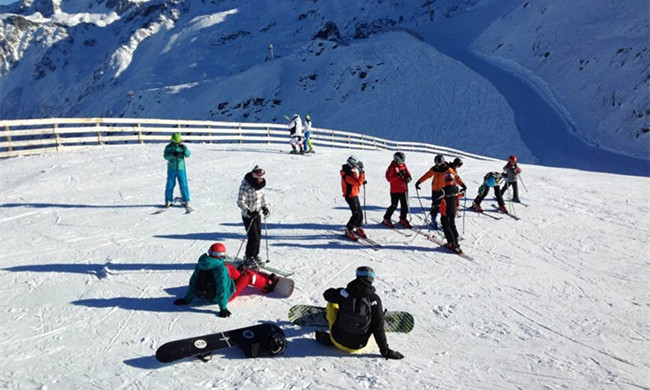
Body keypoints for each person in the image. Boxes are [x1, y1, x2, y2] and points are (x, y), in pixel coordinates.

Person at [314, 266, 404, 360]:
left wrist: (339, 292)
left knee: (332, 303)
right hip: (359, 345)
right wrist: (385, 351)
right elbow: (378, 327)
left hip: (336, 340)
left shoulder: (345, 293)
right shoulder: (374, 300)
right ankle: (378, 316)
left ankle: (329, 318)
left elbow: (326, 294)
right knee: (375, 319)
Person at [173, 243, 279, 317]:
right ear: (221, 255)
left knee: (227, 266)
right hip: (219, 297)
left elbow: (194, 282)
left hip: (204, 293)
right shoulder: (220, 269)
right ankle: (267, 284)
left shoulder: (201, 264)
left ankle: (239, 275)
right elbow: (222, 288)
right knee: (248, 275)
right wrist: (223, 308)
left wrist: (187, 299)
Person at [236, 165, 271, 268]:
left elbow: (262, 197)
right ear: (254, 175)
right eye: (259, 177)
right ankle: (248, 257)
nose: (261, 179)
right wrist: (248, 211)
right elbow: (240, 201)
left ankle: (255, 255)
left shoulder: (260, 185)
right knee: (253, 237)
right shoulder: (246, 185)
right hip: (248, 216)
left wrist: (264, 207)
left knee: (258, 235)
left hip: (257, 213)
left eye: (262, 177)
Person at [414, 154, 448, 230]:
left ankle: (445, 223)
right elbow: (427, 175)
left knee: (444, 206)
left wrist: (461, 185)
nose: (438, 165)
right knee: (435, 206)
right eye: (436, 163)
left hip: (444, 190)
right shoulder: (434, 169)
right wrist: (419, 182)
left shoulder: (447, 169)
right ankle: (433, 221)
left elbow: (455, 177)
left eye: (439, 163)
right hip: (435, 190)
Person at [382, 151, 412, 228]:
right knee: (394, 205)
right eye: (401, 160)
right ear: (397, 159)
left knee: (404, 205)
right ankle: (386, 218)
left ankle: (403, 218)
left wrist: (408, 177)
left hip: (403, 189)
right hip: (395, 190)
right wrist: (397, 176)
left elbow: (407, 173)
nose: (402, 162)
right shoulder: (392, 167)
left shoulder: (403, 165)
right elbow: (389, 178)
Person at [340, 156, 366, 240]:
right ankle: (348, 229)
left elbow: (357, 181)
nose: (356, 167)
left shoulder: (351, 171)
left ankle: (358, 227)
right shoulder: (347, 174)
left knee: (360, 212)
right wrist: (361, 173)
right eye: (355, 165)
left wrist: (361, 180)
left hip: (354, 194)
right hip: (350, 196)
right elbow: (358, 183)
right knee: (356, 214)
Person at [163, 132, 191, 207]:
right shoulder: (168, 147)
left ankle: (186, 200)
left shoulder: (182, 147)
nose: (178, 143)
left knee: (183, 184)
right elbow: (165, 157)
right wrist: (172, 155)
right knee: (170, 184)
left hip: (181, 168)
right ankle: (168, 200)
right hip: (171, 168)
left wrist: (185, 150)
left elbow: (188, 155)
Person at [439, 170, 462, 253]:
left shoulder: (443, 190)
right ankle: (455, 240)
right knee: (452, 224)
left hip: (445, 211)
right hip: (453, 210)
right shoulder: (456, 188)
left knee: (446, 226)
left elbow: (438, 199)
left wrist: (435, 204)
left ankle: (451, 242)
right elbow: (459, 195)